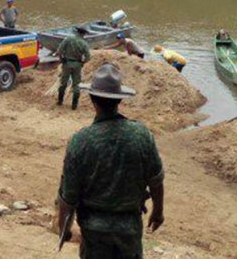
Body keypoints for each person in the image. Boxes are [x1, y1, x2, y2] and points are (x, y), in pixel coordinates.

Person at [57, 64, 165, 258]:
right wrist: (158, 211)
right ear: (120, 99)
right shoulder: (142, 135)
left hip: (93, 232)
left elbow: (68, 195)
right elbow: (156, 180)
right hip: (129, 229)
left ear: (91, 99)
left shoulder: (80, 141)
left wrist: (63, 228)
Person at [55, 26, 91, 110]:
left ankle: (60, 101)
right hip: (77, 65)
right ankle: (74, 106)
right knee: (76, 85)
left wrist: (62, 60)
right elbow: (88, 58)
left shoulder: (68, 39)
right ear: (84, 34)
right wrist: (82, 63)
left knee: (63, 83)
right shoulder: (84, 43)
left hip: (67, 63)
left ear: (77, 31)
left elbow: (59, 51)